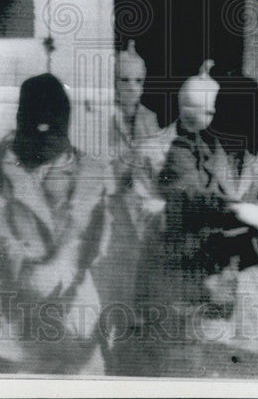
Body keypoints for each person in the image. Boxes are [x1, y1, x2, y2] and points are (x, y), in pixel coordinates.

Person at [130, 63, 258, 377]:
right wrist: (242, 212)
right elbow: (185, 200)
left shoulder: (257, 153)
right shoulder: (180, 151)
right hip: (196, 288)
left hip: (246, 285)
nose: (204, 119)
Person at [0, 73, 111, 375]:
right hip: (11, 306)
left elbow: (86, 234)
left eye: (52, 131)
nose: (43, 141)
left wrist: (58, 275)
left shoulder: (89, 170)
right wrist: (28, 273)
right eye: (35, 128)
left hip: (73, 306)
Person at [92, 42, 168, 370]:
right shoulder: (100, 119)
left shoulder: (150, 119)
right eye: (125, 81)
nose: (133, 89)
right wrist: (130, 158)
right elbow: (101, 171)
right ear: (113, 83)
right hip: (112, 217)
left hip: (144, 217)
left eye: (139, 81)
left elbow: (159, 168)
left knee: (142, 289)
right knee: (112, 292)